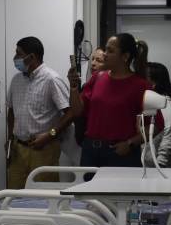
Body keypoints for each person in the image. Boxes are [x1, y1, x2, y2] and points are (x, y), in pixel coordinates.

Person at [67, 33, 157, 168]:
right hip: (90, 151)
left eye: (110, 51)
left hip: (120, 153)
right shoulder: (97, 77)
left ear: (125, 56)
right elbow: (77, 111)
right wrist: (73, 88)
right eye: (106, 49)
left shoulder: (141, 86)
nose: (104, 54)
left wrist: (130, 143)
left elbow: (156, 125)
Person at [7, 36, 73, 189]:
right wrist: (10, 140)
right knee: (14, 195)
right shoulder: (16, 80)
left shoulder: (52, 79)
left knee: (42, 196)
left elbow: (70, 113)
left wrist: (50, 134)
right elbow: (11, 111)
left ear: (32, 57)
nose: (15, 58)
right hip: (18, 148)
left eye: (18, 54)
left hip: (44, 149)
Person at [143, 62, 171, 168]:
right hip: (144, 163)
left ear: (154, 82)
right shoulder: (150, 103)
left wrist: (161, 164)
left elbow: (169, 135)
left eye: (144, 78)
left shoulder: (167, 105)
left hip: (156, 167)